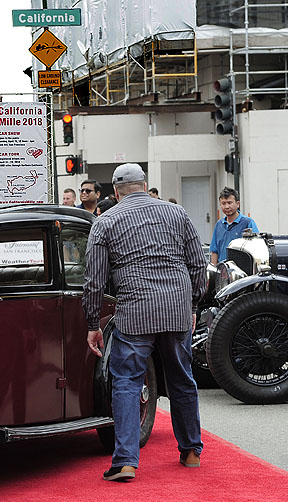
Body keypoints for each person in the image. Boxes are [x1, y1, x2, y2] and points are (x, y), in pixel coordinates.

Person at [83, 163, 207, 481]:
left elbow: (93, 280)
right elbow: (197, 264)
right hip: (177, 309)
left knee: (127, 383)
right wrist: (192, 305)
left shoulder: (105, 220)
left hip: (135, 311)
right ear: (145, 184)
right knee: (181, 379)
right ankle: (191, 450)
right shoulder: (176, 214)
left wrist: (92, 323)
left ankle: (125, 461)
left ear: (114, 192)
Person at [209, 187, 258, 264]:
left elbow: (256, 248)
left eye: (229, 203)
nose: (226, 207)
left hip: (242, 272)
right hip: (222, 271)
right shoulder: (219, 225)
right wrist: (214, 271)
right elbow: (214, 251)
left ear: (237, 204)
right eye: (223, 203)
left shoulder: (248, 223)